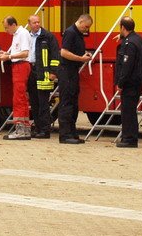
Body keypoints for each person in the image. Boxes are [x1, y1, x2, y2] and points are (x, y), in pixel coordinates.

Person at [57, 14, 93, 144]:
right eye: (86, 26)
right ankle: (65, 135)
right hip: (66, 71)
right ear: (81, 21)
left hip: (73, 71)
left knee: (73, 102)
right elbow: (64, 52)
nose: (86, 29)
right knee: (66, 102)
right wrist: (81, 58)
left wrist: (84, 54)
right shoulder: (70, 32)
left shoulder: (78, 34)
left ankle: (72, 132)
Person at [0, 16, 33, 140]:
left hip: (21, 66)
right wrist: (6, 54)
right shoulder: (17, 34)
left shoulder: (22, 34)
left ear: (13, 25)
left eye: (7, 28)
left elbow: (25, 53)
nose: (6, 31)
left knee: (18, 98)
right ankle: (24, 128)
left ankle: (20, 130)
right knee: (21, 97)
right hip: (19, 66)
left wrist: (9, 57)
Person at [26, 14, 60, 139]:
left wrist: (54, 72)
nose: (37, 24)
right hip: (31, 70)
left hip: (44, 73)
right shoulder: (27, 36)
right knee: (34, 102)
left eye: (38, 22)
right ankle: (38, 128)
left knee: (43, 103)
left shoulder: (48, 36)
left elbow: (55, 55)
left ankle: (45, 130)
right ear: (29, 24)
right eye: (34, 22)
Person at [113, 17, 142, 148]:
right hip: (136, 81)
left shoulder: (129, 44)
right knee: (130, 110)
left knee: (128, 111)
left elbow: (127, 65)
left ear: (123, 28)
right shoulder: (137, 39)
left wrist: (120, 82)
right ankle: (129, 137)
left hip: (130, 82)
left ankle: (129, 139)